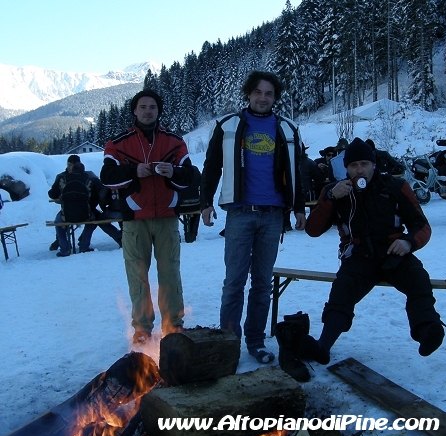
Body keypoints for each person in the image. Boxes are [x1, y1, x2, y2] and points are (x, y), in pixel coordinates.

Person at [275, 138, 445, 381]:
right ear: (345, 168)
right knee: (342, 290)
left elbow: (422, 224)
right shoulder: (335, 190)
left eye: (364, 164)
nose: (359, 170)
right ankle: (323, 345)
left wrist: (409, 242)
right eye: (354, 165)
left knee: (418, 280)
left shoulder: (395, 186)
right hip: (358, 256)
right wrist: (331, 198)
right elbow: (313, 230)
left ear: (374, 165)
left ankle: (427, 329)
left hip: (394, 253)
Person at [200, 70, 306, 364]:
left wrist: (298, 208)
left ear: (275, 98)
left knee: (262, 283)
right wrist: (205, 202)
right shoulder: (229, 126)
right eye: (258, 92)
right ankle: (228, 343)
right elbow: (211, 166)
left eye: (269, 94)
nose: (263, 98)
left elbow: (298, 171)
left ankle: (255, 341)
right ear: (248, 94)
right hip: (240, 214)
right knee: (234, 281)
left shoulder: (287, 129)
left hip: (273, 216)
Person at [100, 88, 193, 344]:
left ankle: (173, 326)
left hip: (167, 218)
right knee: (137, 276)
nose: (148, 111)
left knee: (170, 273)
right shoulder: (118, 143)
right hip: (134, 220)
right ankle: (142, 329)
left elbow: (191, 177)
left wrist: (173, 171)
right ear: (135, 111)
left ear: (158, 111)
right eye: (143, 107)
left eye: (152, 107)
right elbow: (107, 177)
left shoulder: (174, 141)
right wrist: (133, 170)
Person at [48, 161, 96, 256]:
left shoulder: (63, 179)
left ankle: (64, 249)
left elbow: (52, 194)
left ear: (72, 170)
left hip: (66, 215)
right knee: (93, 221)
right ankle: (84, 246)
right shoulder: (88, 181)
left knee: (58, 223)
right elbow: (93, 198)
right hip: (85, 214)